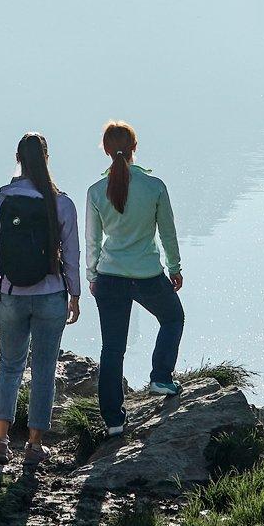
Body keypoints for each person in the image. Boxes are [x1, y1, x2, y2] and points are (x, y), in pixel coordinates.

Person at [0, 132, 81, 461]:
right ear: (47, 159)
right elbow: (71, 255)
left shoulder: (1, 202)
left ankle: (0, 442)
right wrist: (74, 294)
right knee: (44, 369)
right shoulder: (61, 203)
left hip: (11, 293)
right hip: (52, 294)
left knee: (9, 367)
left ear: (18, 158)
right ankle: (35, 446)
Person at [86, 119, 183, 429]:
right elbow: (168, 233)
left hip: (109, 276)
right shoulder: (154, 187)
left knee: (112, 348)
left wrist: (91, 276)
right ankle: (161, 377)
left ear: (104, 150)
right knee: (172, 318)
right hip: (147, 275)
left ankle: (113, 421)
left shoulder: (96, 191)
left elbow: (92, 241)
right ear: (134, 149)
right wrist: (175, 268)